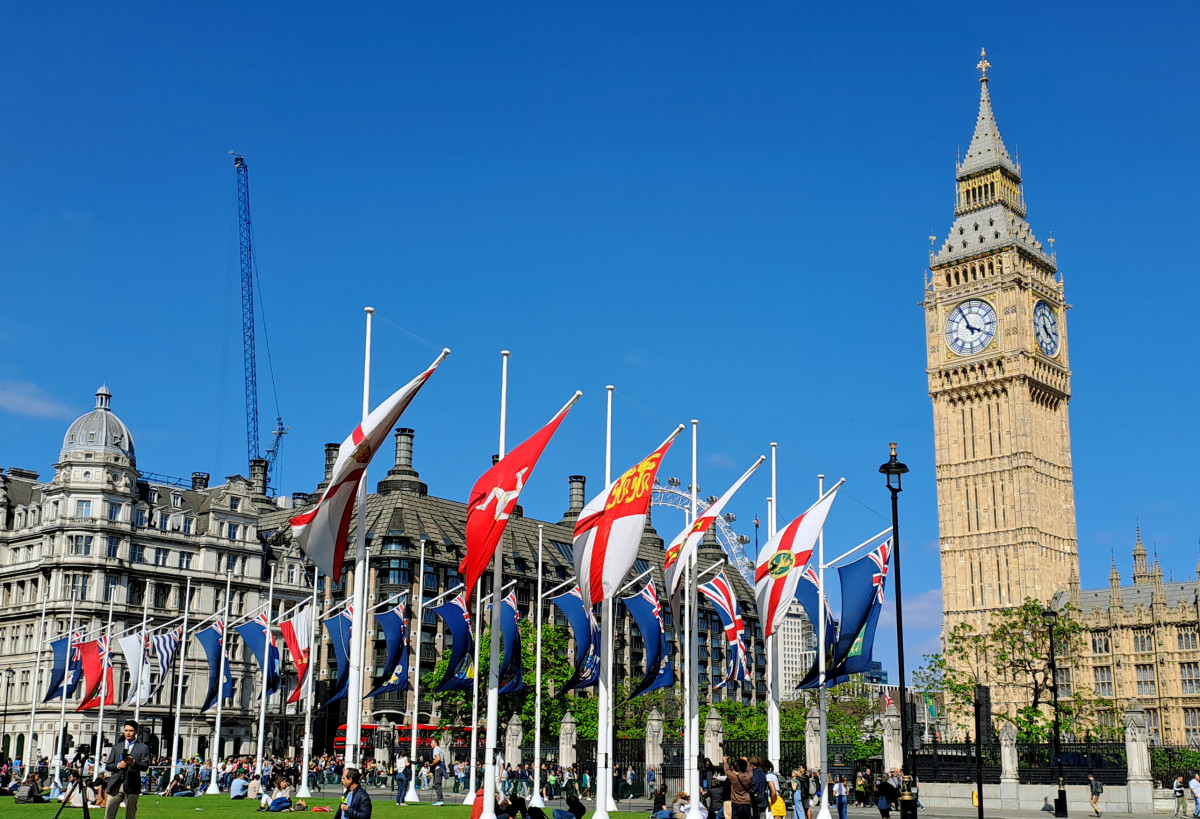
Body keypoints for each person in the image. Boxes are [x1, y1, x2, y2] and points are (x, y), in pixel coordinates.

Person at [104, 719, 150, 819]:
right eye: (126, 730)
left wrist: (133, 762)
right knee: (109, 814)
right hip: (116, 783)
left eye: (131, 731)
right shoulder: (117, 747)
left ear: (136, 732)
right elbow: (108, 765)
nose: (128, 733)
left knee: (130, 815)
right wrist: (118, 765)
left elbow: (145, 765)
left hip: (132, 784)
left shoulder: (143, 748)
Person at [431, 741, 446, 806]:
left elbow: (438, 759)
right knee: (437, 783)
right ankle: (440, 800)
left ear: (436, 743)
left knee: (437, 784)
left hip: (438, 768)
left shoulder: (436, 749)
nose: (431, 744)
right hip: (441, 768)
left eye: (432, 743)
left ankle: (440, 800)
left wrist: (432, 764)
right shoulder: (439, 749)